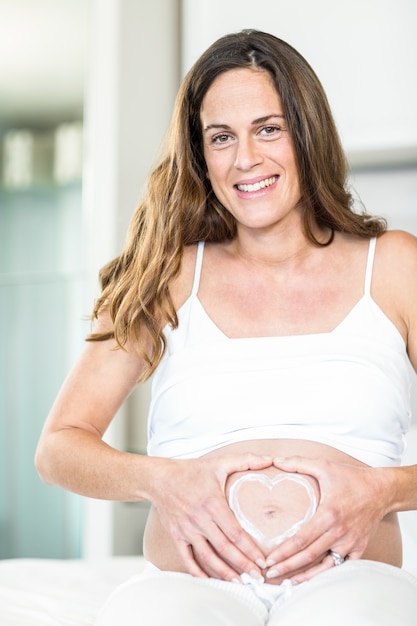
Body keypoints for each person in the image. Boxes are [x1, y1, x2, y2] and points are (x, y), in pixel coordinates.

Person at [35, 29, 417, 624]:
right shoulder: (165, 272)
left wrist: (382, 491)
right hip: (189, 586)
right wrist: (162, 482)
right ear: (201, 155)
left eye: (269, 128)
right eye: (221, 138)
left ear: (307, 132)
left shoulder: (394, 266)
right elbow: (58, 448)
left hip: (353, 579)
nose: (245, 158)